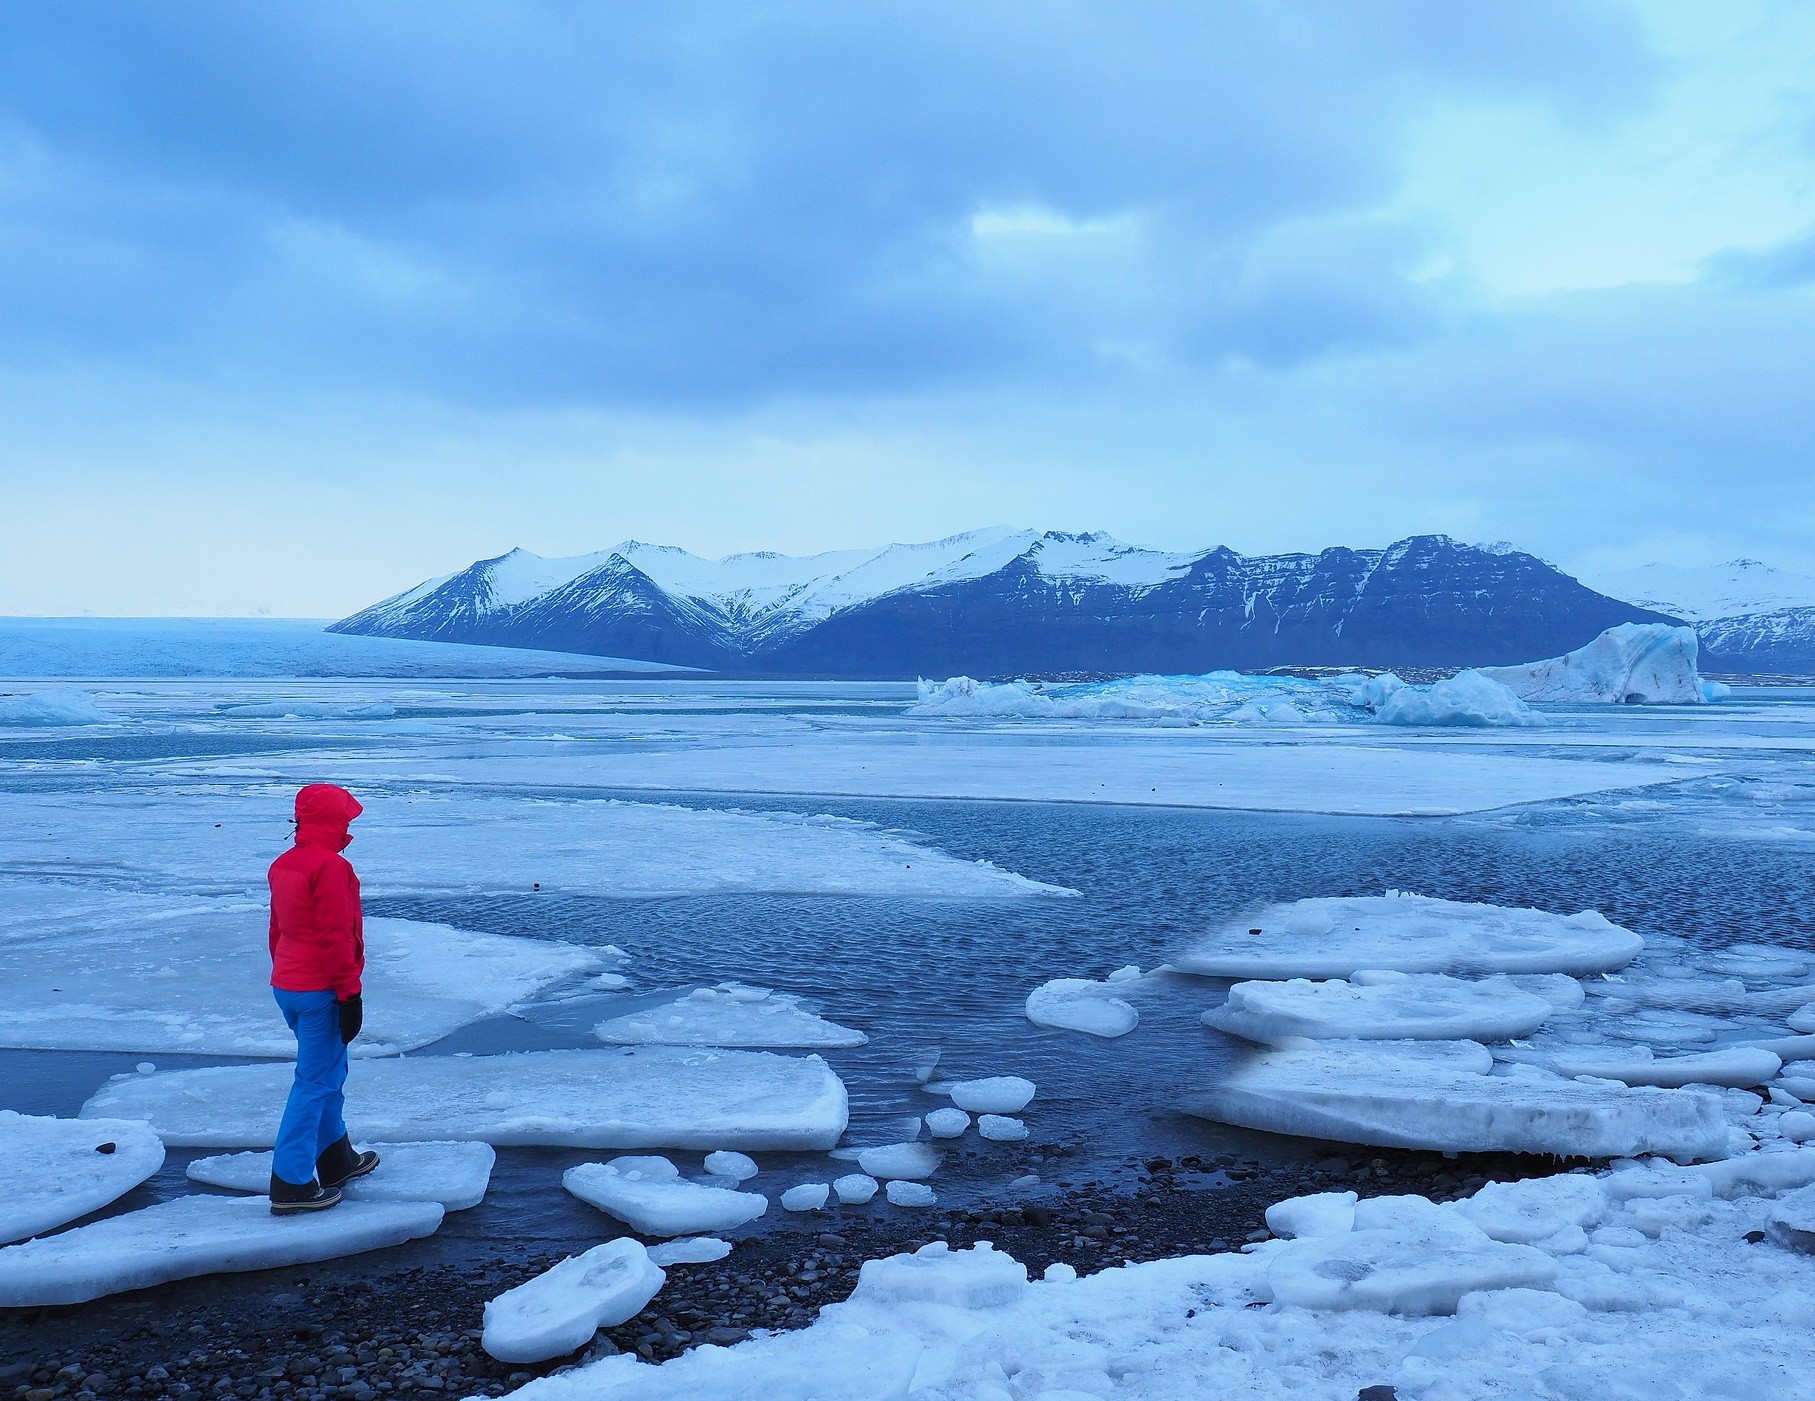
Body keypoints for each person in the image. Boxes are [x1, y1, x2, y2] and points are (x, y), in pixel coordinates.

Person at [267, 783, 381, 1213]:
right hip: (321, 990)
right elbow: (338, 937)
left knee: (328, 1072)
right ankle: (291, 1183)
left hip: (290, 986)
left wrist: (287, 977)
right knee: (314, 1083)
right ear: (332, 821)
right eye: (346, 819)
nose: (350, 825)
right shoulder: (332, 868)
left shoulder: (285, 864)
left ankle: (336, 1158)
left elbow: (277, 931)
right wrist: (349, 995)